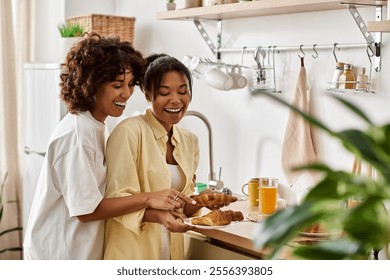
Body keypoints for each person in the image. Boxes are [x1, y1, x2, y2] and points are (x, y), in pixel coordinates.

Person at [23, 34, 194, 260]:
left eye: (130, 84)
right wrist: (148, 198)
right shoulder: (77, 134)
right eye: (117, 85)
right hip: (59, 255)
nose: (126, 93)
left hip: (81, 251)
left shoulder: (98, 127)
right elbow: (86, 210)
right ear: (92, 85)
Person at [103, 54, 213, 260]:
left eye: (183, 91)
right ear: (147, 94)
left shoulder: (190, 141)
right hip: (132, 253)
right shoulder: (129, 132)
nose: (175, 100)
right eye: (164, 92)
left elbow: (183, 207)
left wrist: (201, 200)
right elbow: (115, 202)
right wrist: (158, 216)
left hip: (171, 253)